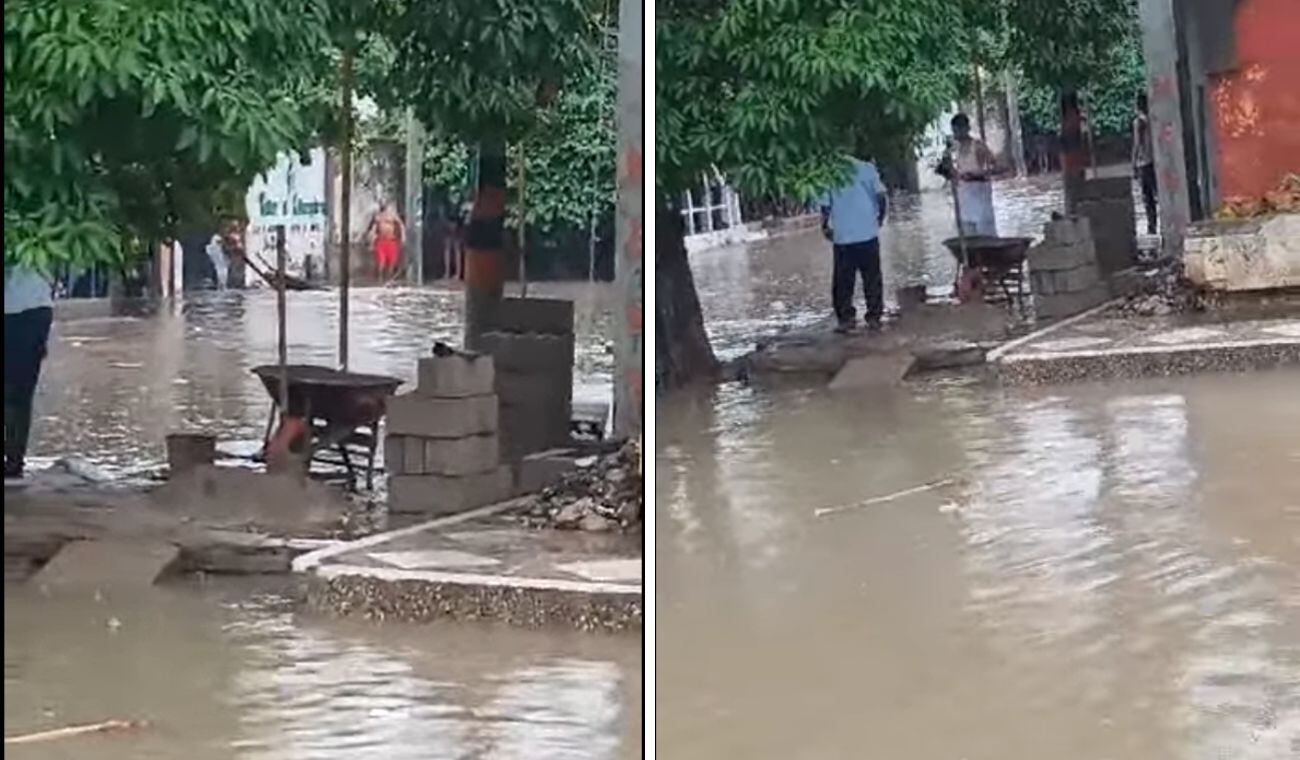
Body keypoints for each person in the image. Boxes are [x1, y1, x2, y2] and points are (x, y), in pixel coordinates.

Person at [819, 154, 888, 333]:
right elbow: (881, 196)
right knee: (872, 277)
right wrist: (880, 218)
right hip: (867, 232)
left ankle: (846, 319)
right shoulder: (867, 168)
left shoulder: (830, 172)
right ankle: (874, 317)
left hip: (843, 235)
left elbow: (825, 205)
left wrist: (825, 226)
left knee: (843, 281)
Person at [4, 263, 55, 479]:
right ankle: (14, 459)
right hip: (33, 311)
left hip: (32, 312)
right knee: (16, 394)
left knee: (19, 392)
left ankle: (15, 460)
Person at [1132, 93, 1158, 235]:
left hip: (1144, 162)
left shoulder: (1138, 123)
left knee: (1147, 197)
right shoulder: (1151, 120)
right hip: (1154, 161)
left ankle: (1152, 225)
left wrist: (1133, 164)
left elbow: (1137, 144)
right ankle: (1154, 224)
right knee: (1156, 194)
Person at [368, 202, 405, 282]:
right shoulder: (378, 217)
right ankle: (380, 279)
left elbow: (401, 225)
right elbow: (373, 230)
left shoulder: (392, 215)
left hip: (391, 241)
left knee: (392, 262)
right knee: (381, 262)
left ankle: (389, 278)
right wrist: (371, 241)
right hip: (381, 241)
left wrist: (402, 237)